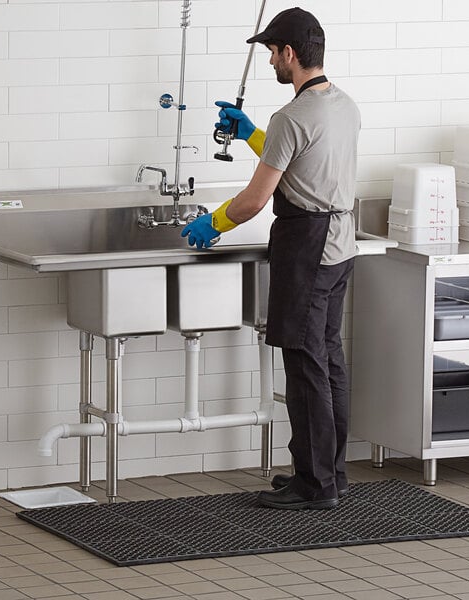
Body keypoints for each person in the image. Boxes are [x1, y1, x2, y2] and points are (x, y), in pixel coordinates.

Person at [181, 7, 361, 510]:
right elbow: (301, 162)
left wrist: (213, 223)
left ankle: (315, 486)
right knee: (328, 361)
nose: (269, 63)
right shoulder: (343, 105)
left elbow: (255, 200)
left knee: (305, 367)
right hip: (341, 243)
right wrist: (252, 134)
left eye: (271, 53)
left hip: (307, 246)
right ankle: (330, 473)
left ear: (289, 53)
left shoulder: (293, 116)